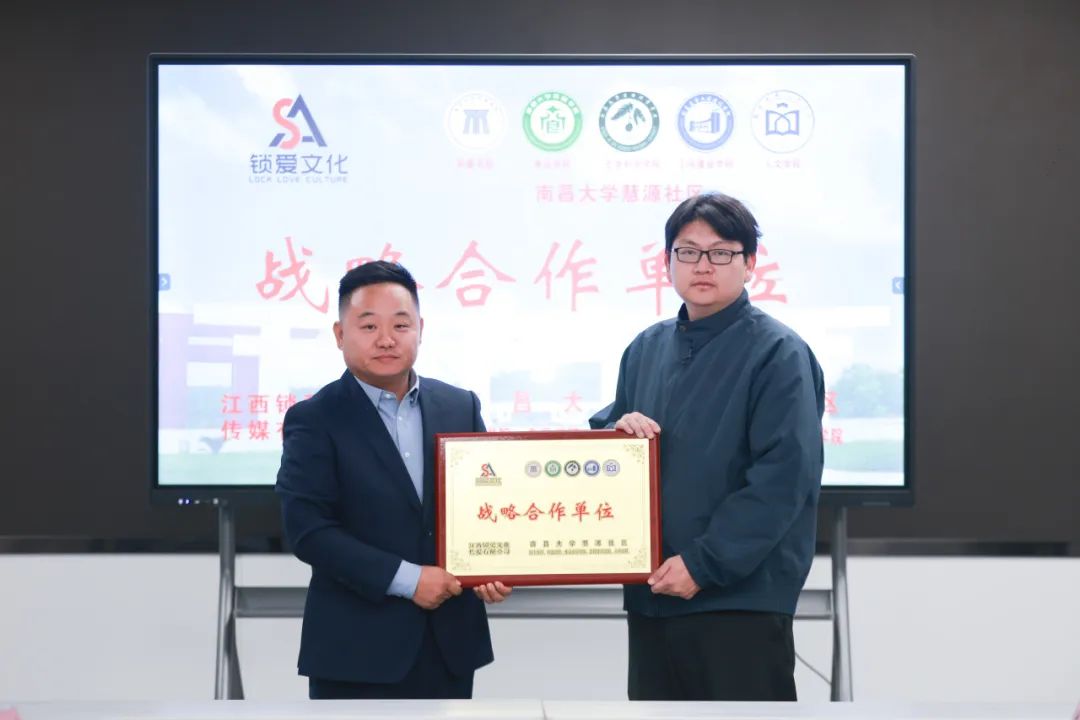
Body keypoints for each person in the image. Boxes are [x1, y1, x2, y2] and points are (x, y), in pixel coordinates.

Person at [590, 192, 825, 701]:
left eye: (721, 252)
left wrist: (704, 564)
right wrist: (615, 434)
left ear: (750, 264)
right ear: (667, 262)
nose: (703, 265)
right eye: (688, 251)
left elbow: (784, 478)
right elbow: (613, 448)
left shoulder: (779, 353)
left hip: (738, 601)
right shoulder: (644, 348)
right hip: (654, 595)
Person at [276, 260, 510, 700]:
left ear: (421, 329)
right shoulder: (315, 418)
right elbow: (309, 531)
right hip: (356, 651)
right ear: (340, 334)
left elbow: (484, 509)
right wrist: (410, 580)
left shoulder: (460, 406)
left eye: (401, 325)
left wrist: (493, 567)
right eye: (368, 326)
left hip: (449, 645)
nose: (386, 339)